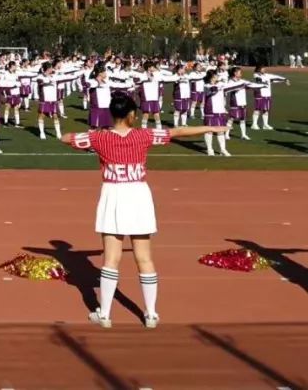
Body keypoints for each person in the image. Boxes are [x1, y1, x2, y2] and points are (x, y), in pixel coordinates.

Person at [61, 94, 226, 329]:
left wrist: (93, 136)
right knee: (145, 258)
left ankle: (105, 314)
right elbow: (178, 132)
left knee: (111, 259)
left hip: (113, 194)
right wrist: (211, 126)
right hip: (138, 194)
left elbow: (65, 137)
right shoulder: (144, 135)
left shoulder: (99, 137)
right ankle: (150, 314)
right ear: (131, 115)